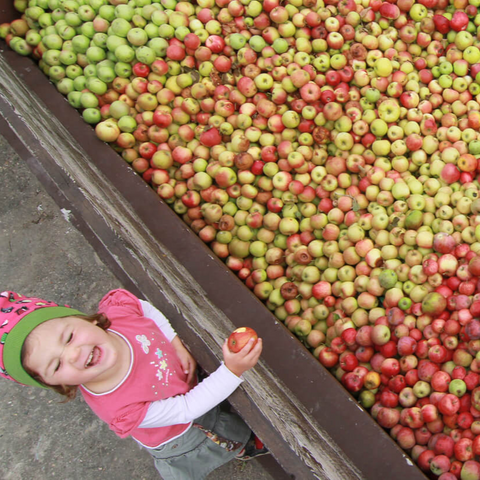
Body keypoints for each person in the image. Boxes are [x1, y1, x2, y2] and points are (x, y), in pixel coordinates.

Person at [0, 289, 269, 479]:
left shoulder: (119, 315)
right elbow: (188, 408)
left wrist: (174, 342)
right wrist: (232, 370)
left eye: (69, 336)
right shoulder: (121, 408)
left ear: (87, 318)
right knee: (220, 434)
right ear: (59, 385)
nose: (73, 354)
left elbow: (144, 308)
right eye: (57, 366)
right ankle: (242, 447)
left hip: (182, 387)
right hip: (180, 431)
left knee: (216, 405)